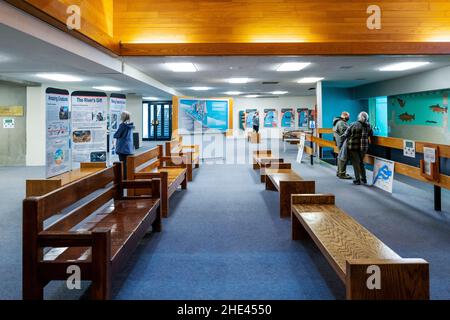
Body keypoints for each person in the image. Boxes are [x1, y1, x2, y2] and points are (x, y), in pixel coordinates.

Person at [342, 111, 373, 185]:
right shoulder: (369, 125)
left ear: (359, 117)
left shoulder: (353, 124)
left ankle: (357, 180)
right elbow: (371, 134)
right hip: (364, 148)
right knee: (361, 162)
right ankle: (364, 178)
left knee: (356, 163)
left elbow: (346, 134)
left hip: (353, 147)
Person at [114, 111, 134, 179]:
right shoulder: (130, 125)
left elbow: (117, 135)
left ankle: (124, 178)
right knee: (128, 164)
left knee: (123, 164)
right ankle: (128, 177)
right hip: (129, 148)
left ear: (123, 117)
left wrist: (115, 134)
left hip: (122, 148)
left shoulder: (122, 125)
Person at [333, 111, 352, 179]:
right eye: (348, 116)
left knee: (340, 157)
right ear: (344, 116)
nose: (348, 117)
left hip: (339, 142)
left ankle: (339, 172)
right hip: (343, 142)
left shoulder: (337, 122)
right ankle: (342, 174)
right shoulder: (341, 123)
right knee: (343, 158)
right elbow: (345, 133)